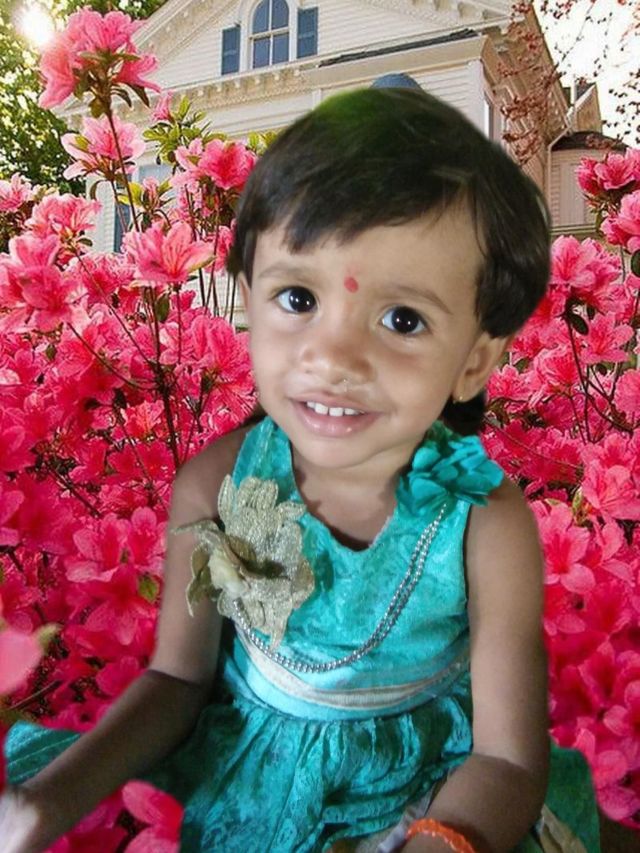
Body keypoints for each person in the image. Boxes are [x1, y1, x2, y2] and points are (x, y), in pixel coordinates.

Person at [0, 86, 599, 853]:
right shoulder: (214, 487)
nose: (334, 356)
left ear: (473, 362)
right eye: (297, 297)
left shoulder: (485, 521)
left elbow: (507, 759)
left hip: (433, 793)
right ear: (248, 301)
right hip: (250, 786)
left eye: (402, 319)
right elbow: (177, 681)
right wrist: (45, 804)